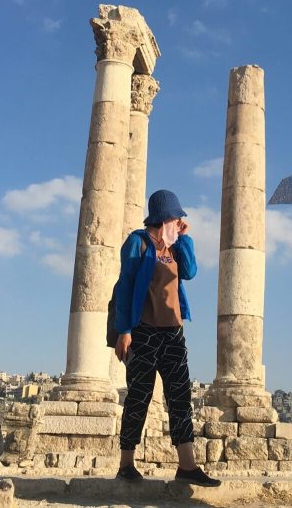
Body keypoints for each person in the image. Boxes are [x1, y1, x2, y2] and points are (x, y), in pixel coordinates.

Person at [112, 189, 220, 487]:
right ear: (164, 217)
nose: (180, 221)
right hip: (143, 331)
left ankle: (187, 465)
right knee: (139, 396)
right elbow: (125, 287)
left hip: (173, 332)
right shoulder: (138, 242)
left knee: (180, 397)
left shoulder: (175, 246)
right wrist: (124, 331)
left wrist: (184, 239)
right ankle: (126, 463)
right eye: (176, 217)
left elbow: (191, 272)